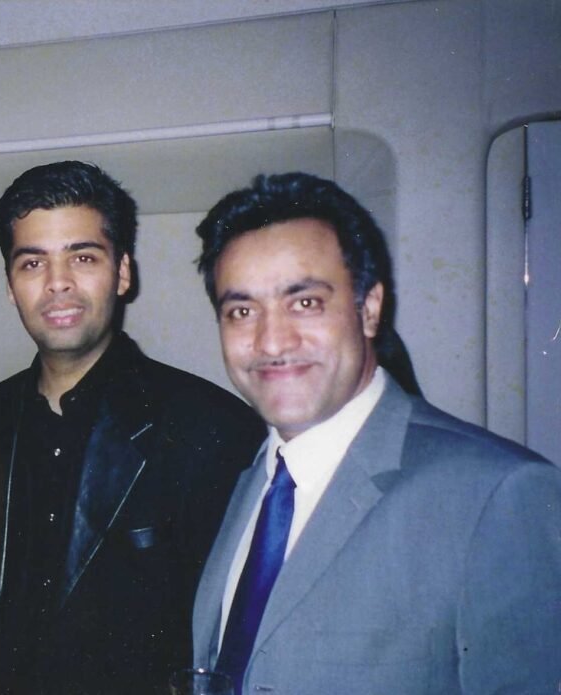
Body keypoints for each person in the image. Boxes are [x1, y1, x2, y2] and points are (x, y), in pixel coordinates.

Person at [191, 172, 561, 694]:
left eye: (305, 302)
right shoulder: (249, 478)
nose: (271, 342)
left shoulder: (496, 494)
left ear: (368, 309)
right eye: (242, 311)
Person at [0, 161, 265, 694]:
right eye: (33, 263)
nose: (58, 283)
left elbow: (232, 639)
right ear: (10, 284)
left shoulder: (209, 428)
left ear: (122, 272)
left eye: (83, 257)